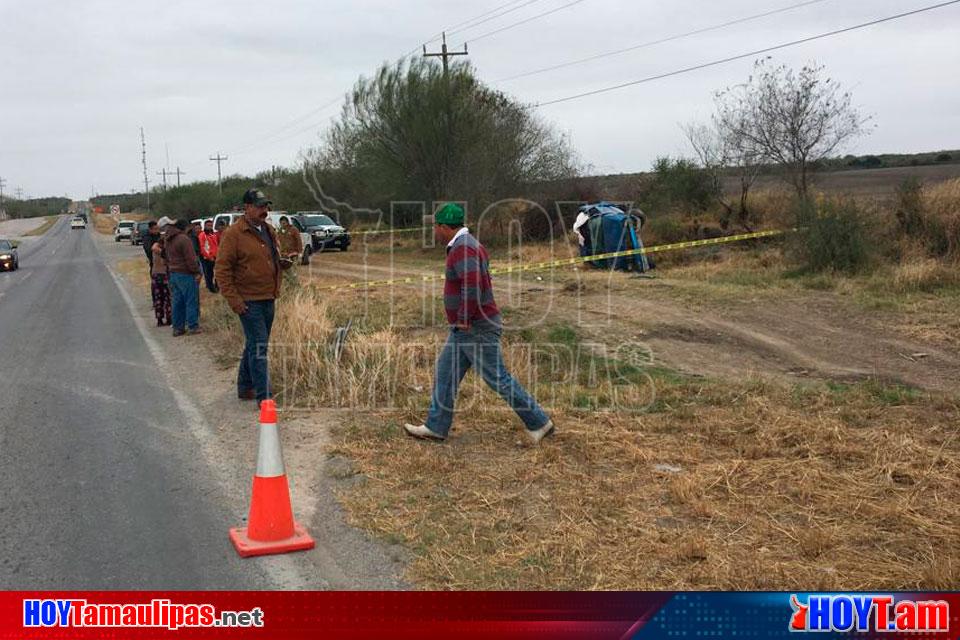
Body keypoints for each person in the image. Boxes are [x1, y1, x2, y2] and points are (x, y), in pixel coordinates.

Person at [403, 203, 555, 444]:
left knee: (497, 378)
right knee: (445, 373)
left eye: (435, 227)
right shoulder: (466, 245)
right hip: (466, 328)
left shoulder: (463, 248)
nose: (434, 231)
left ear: (444, 227)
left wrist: (463, 318)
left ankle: (539, 422)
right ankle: (436, 426)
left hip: (474, 327)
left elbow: (471, 286)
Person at [215, 189, 289, 404]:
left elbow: (270, 257)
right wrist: (235, 301)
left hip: (268, 295)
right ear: (246, 208)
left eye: (266, 206)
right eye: (259, 206)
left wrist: (281, 264)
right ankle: (263, 396)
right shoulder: (233, 234)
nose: (264, 210)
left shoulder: (268, 230)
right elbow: (222, 271)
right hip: (248, 300)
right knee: (259, 347)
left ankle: (244, 386)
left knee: (256, 343)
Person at [164, 218, 202, 337]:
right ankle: (193, 326)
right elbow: (190, 259)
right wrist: (196, 271)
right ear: (185, 227)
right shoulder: (184, 239)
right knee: (191, 300)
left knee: (177, 302)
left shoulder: (168, 239)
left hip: (173, 273)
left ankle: (178, 327)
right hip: (186, 274)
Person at [150, 232, 172, 327]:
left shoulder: (155, 248)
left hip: (155, 275)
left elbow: (153, 247)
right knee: (167, 298)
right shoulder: (166, 251)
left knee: (158, 298)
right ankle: (169, 318)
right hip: (165, 275)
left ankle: (159, 319)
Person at [198, 219, 220, 293]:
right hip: (207, 258)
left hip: (215, 256)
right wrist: (208, 257)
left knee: (218, 272)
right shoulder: (202, 235)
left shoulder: (213, 234)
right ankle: (211, 287)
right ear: (205, 226)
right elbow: (202, 247)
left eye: (211, 225)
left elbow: (216, 245)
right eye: (208, 225)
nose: (210, 227)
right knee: (209, 274)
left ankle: (217, 285)